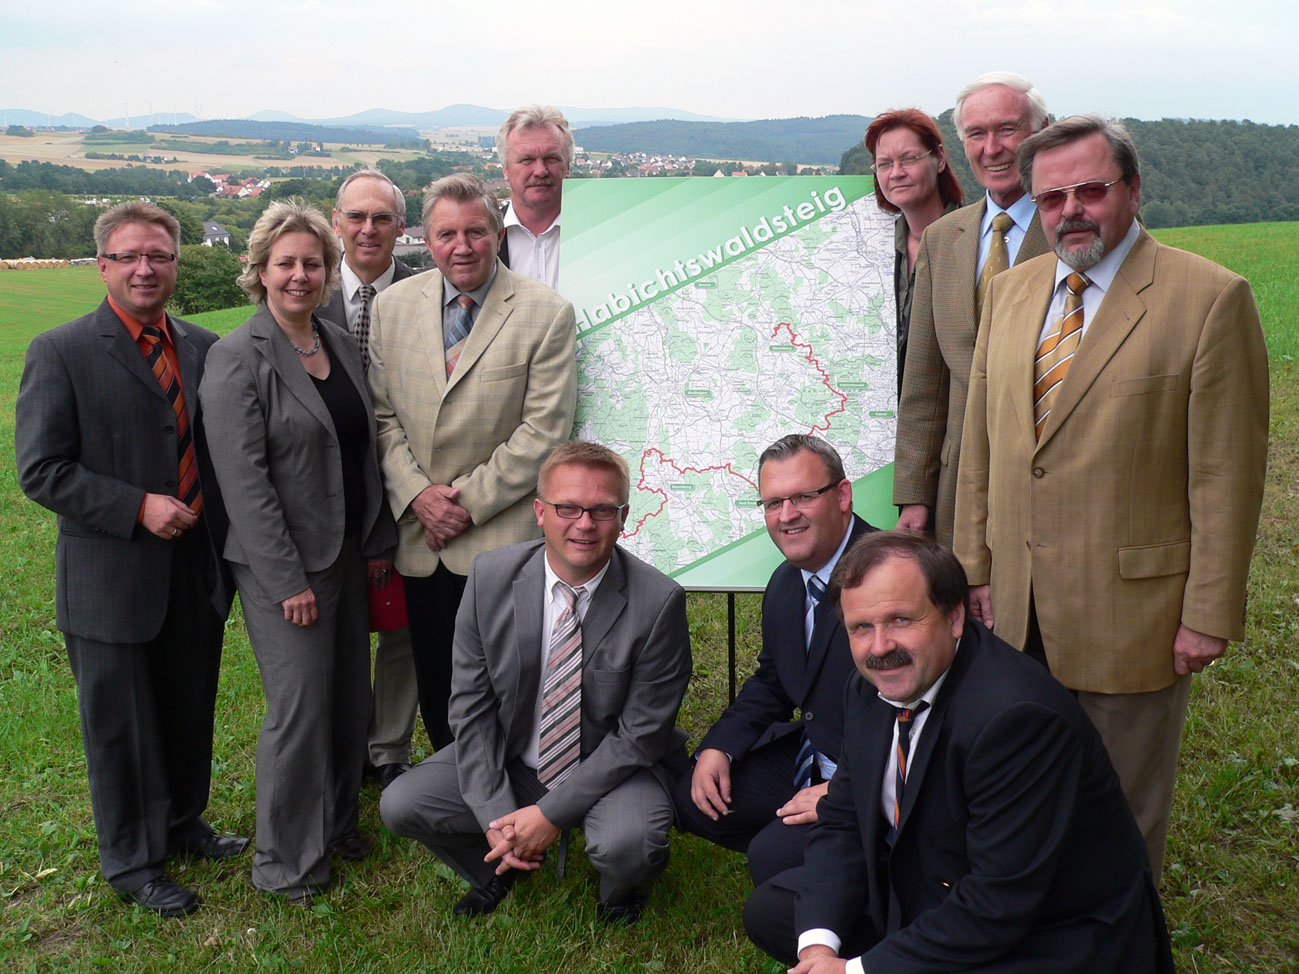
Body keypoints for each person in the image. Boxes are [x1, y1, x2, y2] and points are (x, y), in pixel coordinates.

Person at [954, 115, 1269, 877]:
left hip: (1132, 615)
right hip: (1013, 607)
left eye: (1090, 190)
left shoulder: (1208, 298)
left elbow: (1225, 475)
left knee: (1119, 815)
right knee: (1019, 793)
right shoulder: (1008, 291)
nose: (1070, 210)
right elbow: (980, 448)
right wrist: (973, 568)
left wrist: (1206, 612)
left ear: (1131, 188)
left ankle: (1119, 932)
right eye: (1050, 196)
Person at [744, 532, 1175, 972]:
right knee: (777, 913)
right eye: (861, 628)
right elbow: (845, 819)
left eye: (900, 620)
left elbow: (996, 904)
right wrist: (819, 952)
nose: (880, 647)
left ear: (954, 618)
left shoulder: (1017, 720)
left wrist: (854, 970)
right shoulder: (870, 687)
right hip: (937, 884)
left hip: (1046, 934)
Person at [15, 201, 246, 918]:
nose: (145, 268)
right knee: (120, 729)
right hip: (111, 576)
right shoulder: (61, 351)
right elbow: (41, 469)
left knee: (187, 708)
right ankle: (132, 863)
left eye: (159, 255)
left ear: (176, 264)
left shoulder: (205, 347)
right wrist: (136, 506)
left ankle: (182, 824)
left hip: (195, 569)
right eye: (129, 256)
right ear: (103, 265)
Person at [381, 441, 692, 925]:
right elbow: (470, 706)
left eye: (602, 510)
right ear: (540, 512)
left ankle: (619, 892)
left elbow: (640, 736)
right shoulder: (490, 577)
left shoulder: (658, 602)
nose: (584, 524)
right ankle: (500, 864)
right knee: (402, 802)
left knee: (629, 845)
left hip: (611, 769)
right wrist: (495, 815)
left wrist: (549, 815)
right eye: (567, 508)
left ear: (624, 517)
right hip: (516, 758)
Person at [199, 199, 397, 904]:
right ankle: (284, 862)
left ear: (328, 270)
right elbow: (243, 484)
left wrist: (375, 541)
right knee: (300, 709)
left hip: (345, 553)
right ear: (259, 270)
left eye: (313, 263)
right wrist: (288, 581)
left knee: (347, 700)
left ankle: (336, 823)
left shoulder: (335, 341)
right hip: (282, 567)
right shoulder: (235, 357)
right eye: (285, 263)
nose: (299, 275)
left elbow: (362, 450)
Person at [368, 172, 577, 752]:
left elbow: (544, 431)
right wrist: (419, 497)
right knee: (438, 686)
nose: (462, 247)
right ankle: (452, 791)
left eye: (476, 232)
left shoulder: (546, 313)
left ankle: (511, 791)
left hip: (498, 539)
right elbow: (380, 417)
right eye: (446, 234)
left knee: (507, 689)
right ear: (427, 240)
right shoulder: (392, 308)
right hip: (423, 539)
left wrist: (463, 505)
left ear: (497, 235)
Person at [673, 435, 875, 886]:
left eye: (804, 497)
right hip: (816, 751)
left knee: (771, 858)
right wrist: (718, 747)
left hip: (879, 774)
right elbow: (774, 681)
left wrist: (844, 790)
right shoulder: (787, 581)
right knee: (694, 797)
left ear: (843, 495)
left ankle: (857, 858)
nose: (787, 515)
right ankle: (812, 846)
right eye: (773, 503)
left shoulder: (889, 575)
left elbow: (917, 713)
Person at [892, 71, 1051, 544]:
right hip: (960, 488)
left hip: (1049, 478)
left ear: (1042, 132)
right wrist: (915, 497)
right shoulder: (943, 239)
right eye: (977, 134)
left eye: (1007, 130)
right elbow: (924, 383)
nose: (992, 148)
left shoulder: (1074, 230)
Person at [320, 168, 420, 790]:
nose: (367, 229)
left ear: (400, 227)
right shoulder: (304, 289)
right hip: (328, 493)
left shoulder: (429, 291)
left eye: (381, 218)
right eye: (355, 216)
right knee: (342, 626)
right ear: (337, 223)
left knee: (403, 628)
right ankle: (345, 742)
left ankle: (389, 750)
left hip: (409, 484)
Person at [863, 109, 963, 393]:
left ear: (939, 159)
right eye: (884, 164)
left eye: (909, 159)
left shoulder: (975, 240)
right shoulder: (868, 247)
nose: (896, 173)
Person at [496, 104, 572, 290]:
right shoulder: (483, 239)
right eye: (526, 160)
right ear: (505, 170)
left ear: (568, 167)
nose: (540, 171)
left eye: (551, 158)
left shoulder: (602, 233)